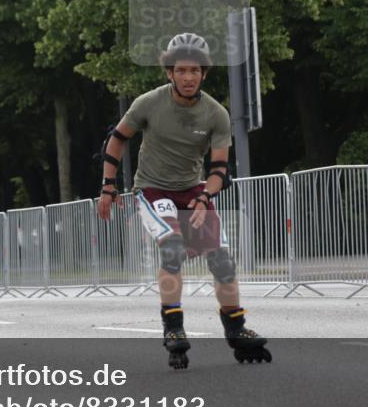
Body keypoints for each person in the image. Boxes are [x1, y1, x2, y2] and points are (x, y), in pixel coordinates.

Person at [96, 32, 271, 369]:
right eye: (181, 71)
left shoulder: (216, 114)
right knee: (173, 248)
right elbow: (116, 141)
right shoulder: (148, 103)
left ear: (204, 73)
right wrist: (108, 186)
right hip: (152, 188)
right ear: (169, 73)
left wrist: (206, 196)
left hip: (194, 189)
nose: (188, 77)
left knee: (221, 260)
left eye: (195, 71)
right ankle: (173, 327)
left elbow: (220, 168)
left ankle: (236, 329)